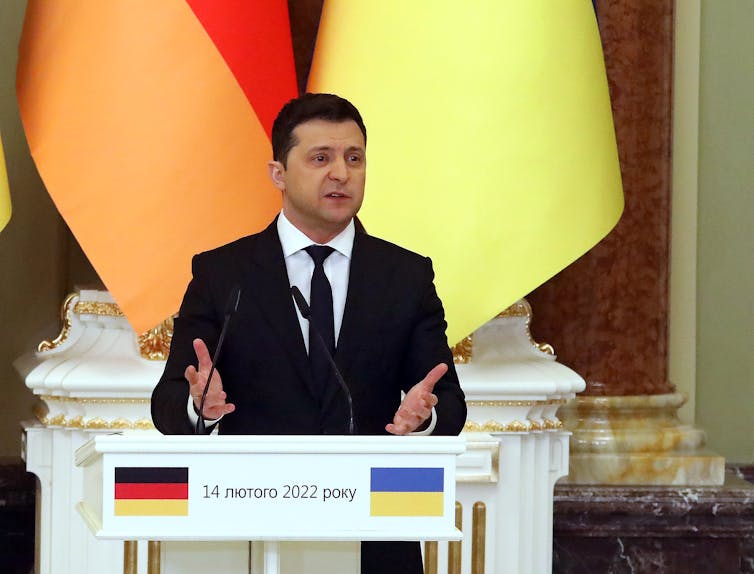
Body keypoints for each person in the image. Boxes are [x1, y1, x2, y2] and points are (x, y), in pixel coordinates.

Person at [151, 93, 466, 574]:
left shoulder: (405, 275)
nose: (340, 173)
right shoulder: (223, 274)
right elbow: (168, 402)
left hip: (374, 537)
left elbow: (447, 400)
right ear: (278, 173)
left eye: (354, 158)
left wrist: (422, 419)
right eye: (320, 158)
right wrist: (199, 407)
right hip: (249, 532)